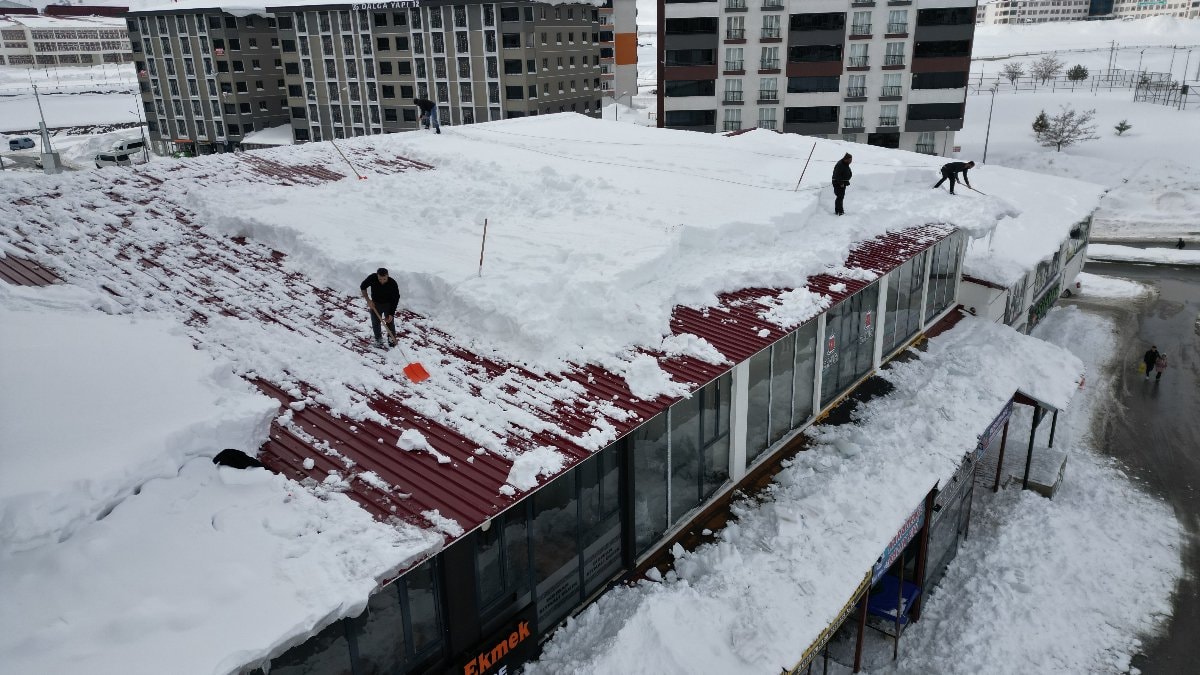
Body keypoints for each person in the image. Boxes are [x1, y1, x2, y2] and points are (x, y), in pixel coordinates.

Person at [360, 267, 400, 348]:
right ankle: (378, 339)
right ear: (377, 276)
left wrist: (391, 313)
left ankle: (391, 339)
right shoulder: (372, 278)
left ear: (387, 275)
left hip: (388, 304)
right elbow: (363, 286)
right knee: (375, 322)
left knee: (389, 321)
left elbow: (396, 299)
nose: (382, 281)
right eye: (380, 279)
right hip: (375, 304)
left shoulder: (392, 283)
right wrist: (368, 300)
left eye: (384, 279)